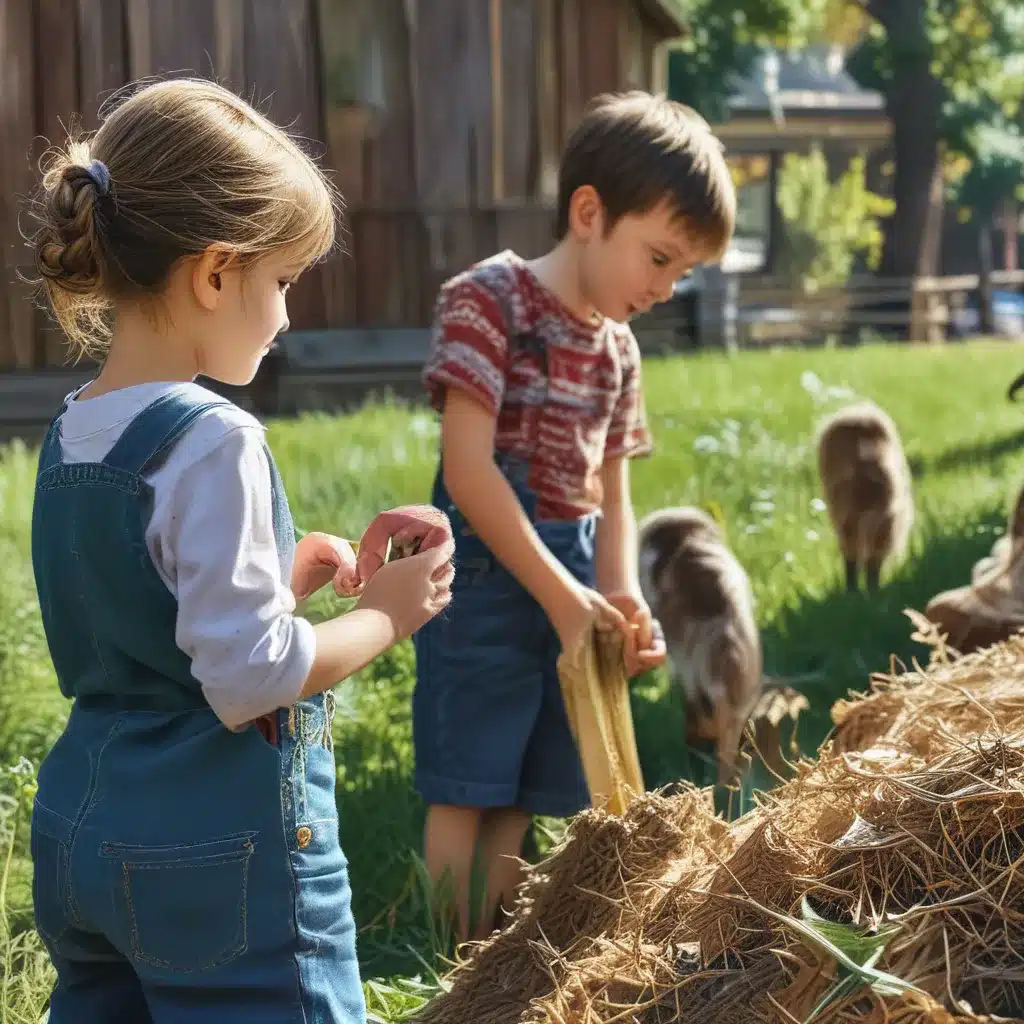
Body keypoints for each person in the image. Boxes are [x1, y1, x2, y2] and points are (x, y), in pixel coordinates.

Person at [25, 77, 453, 1024]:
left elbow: (138, 613)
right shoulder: (215, 436)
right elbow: (249, 680)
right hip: (215, 858)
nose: (289, 315)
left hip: (82, 830)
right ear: (216, 273)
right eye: (284, 281)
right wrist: (385, 614)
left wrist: (283, 578)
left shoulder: (73, 430)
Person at [412, 91, 737, 942]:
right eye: (659, 258)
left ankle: (492, 951)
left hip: (572, 568)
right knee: (469, 779)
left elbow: (616, 494)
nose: (665, 288)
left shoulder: (619, 351)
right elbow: (468, 470)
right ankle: (442, 951)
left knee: (527, 784)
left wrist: (620, 598)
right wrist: (563, 597)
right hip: (482, 574)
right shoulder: (490, 303)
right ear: (589, 212)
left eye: (682, 274)